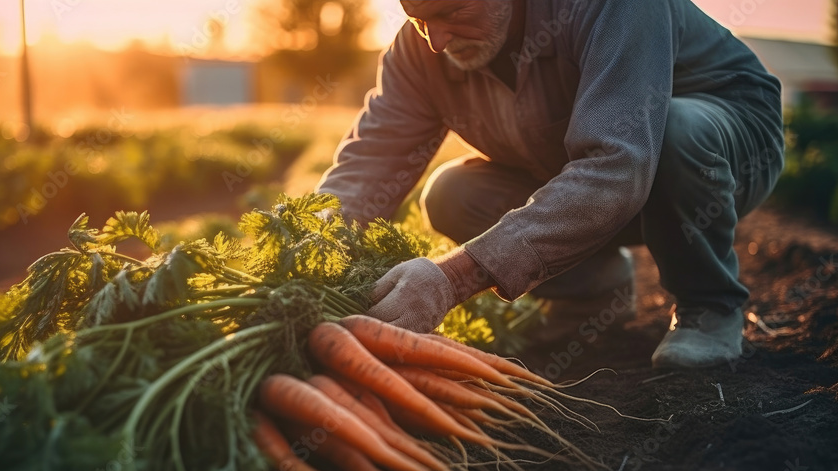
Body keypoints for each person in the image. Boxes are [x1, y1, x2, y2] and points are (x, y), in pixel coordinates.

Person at [314, 0, 785, 369]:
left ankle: (709, 304)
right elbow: (372, 159)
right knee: (452, 194)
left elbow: (616, 166)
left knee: (675, 128)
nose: (435, 40)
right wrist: (310, 242)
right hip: (582, 173)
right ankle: (594, 292)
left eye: (452, 11)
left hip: (721, 154)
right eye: (418, 19)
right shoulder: (419, 53)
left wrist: (451, 279)